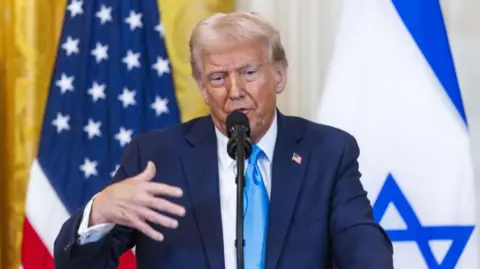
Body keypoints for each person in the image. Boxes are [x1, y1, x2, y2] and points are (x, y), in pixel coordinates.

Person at [53, 11, 393, 269]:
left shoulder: (328, 153)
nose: (235, 91)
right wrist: (99, 212)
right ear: (202, 88)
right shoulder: (156, 157)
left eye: (248, 72)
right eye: (218, 77)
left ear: (278, 76)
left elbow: (363, 247)